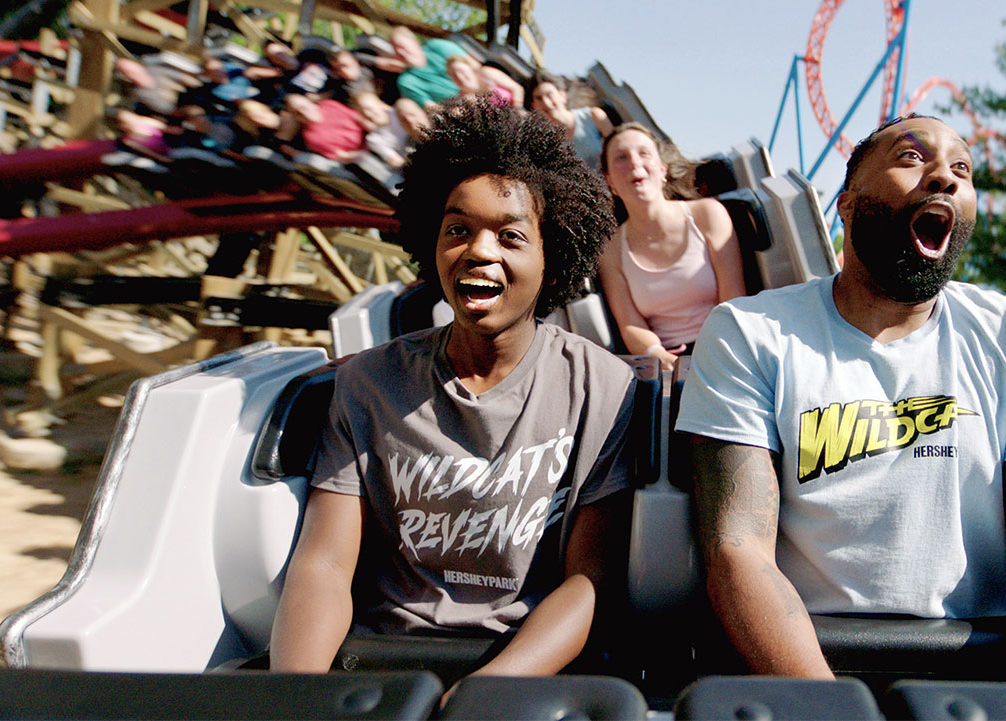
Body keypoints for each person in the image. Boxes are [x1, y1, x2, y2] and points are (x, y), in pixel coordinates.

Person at [675, 114, 1006, 687]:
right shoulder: (750, 331)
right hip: (808, 662)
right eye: (912, 158)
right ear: (845, 205)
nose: (944, 176)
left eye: (962, 168)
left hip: (983, 663)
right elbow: (738, 553)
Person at [270, 97, 633, 689]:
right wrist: (300, 698)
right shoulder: (368, 383)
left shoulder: (602, 387)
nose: (479, 251)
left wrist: (478, 697)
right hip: (386, 660)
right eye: (458, 230)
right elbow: (325, 564)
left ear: (551, 256)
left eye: (511, 236)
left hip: (522, 667)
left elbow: (587, 580)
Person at [597, 123, 745, 370]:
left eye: (644, 153)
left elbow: (734, 298)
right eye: (621, 157)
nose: (634, 163)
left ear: (662, 169)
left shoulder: (708, 214)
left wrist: (714, 356)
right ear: (609, 180)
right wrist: (659, 356)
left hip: (726, 344)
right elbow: (630, 323)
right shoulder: (611, 248)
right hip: (667, 361)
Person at [525, 70, 612, 170]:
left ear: (563, 95)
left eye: (549, 94)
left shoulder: (593, 116)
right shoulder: (545, 143)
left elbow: (617, 148)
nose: (546, 102)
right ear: (534, 106)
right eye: (539, 98)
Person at [391, 25, 466, 111]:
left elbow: (473, 65)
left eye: (400, 46)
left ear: (415, 43)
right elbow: (431, 107)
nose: (399, 51)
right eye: (395, 49)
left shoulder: (436, 47)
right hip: (458, 109)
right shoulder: (406, 82)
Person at [279, 93, 366, 161]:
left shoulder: (330, 105)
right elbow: (342, 156)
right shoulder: (310, 138)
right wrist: (366, 153)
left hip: (370, 136)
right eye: (298, 113)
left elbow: (360, 118)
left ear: (310, 103)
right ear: (296, 118)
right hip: (360, 156)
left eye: (304, 107)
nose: (304, 113)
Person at [445, 54, 524, 107]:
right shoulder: (462, 100)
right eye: (453, 75)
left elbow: (517, 88)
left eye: (461, 71)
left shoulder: (487, 73)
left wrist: (518, 108)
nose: (459, 77)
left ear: (470, 68)